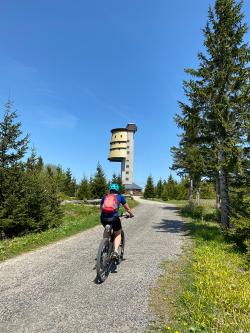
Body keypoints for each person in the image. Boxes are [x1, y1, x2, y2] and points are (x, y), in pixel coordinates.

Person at [100, 183, 134, 260]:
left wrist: (104, 215)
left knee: (106, 229)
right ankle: (115, 251)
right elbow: (127, 209)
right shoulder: (120, 197)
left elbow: (101, 208)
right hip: (114, 218)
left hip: (104, 218)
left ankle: (105, 245)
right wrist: (131, 214)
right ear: (117, 190)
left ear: (110, 190)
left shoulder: (105, 197)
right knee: (118, 234)